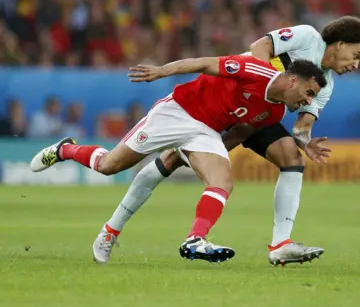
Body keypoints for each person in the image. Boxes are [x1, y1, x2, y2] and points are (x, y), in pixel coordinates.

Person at [93, 16, 360, 266]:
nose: (356, 64)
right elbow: (259, 47)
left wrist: (306, 142)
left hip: (260, 113)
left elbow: (302, 127)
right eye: (356, 54)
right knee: (170, 159)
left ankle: (280, 245)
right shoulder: (307, 37)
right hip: (234, 93)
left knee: (293, 158)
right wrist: (263, 85)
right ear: (339, 43)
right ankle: (112, 227)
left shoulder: (325, 85)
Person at [30, 55, 327, 264]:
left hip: (205, 132)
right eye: (309, 92)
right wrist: (162, 71)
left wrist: (200, 156)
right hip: (177, 112)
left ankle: (195, 239)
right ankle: (65, 149)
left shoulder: (273, 113)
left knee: (222, 181)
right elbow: (203, 63)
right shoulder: (255, 70)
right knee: (109, 166)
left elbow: (238, 132)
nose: (308, 101)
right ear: (292, 80)